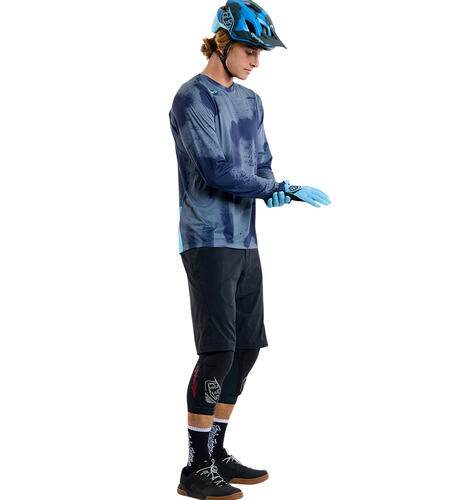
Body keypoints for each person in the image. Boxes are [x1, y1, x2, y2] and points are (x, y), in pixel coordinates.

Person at [169, 1, 331, 498]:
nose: (257, 61)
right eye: (249, 50)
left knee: (246, 349)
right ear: (221, 44)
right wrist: (273, 187)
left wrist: (274, 188)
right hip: (207, 239)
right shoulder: (191, 98)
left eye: (261, 53)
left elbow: (261, 164)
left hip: (244, 239)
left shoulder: (252, 101)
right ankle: (195, 467)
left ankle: (217, 452)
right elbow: (216, 170)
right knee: (217, 351)